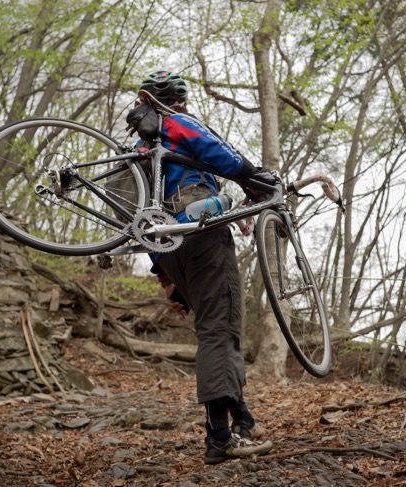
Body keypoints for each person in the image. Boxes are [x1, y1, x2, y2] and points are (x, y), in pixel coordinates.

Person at [127, 70, 276, 465]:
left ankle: (242, 417)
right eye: (184, 100)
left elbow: (141, 217)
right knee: (220, 331)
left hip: (167, 244)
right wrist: (254, 175)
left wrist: (164, 277)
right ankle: (220, 438)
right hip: (200, 229)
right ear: (177, 100)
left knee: (219, 327)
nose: (187, 107)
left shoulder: (141, 147)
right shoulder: (175, 122)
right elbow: (218, 153)